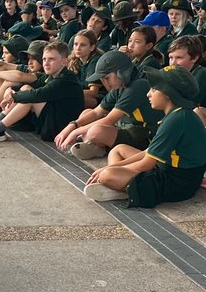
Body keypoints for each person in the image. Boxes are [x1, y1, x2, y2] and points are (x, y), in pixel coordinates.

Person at [84, 66, 206, 206]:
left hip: (177, 183)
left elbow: (146, 164)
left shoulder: (177, 119)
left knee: (108, 175)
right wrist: (115, 168)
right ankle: (124, 186)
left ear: (168, 94)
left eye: (154, 89)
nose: (148, 94)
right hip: (165, 168)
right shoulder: (178, 114)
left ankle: (123, 187)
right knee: (119, 149)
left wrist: (109, 171)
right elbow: (149, 152)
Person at [55, 50, 160, 160]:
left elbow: (109, 120)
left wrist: (75, 132)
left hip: (143, 135)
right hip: (124, 128)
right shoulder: (120, 86)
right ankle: (93, 145)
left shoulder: (138, 85)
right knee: (87, 113)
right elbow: (97, 112)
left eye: (106, 78)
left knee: (96, 131)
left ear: (122, 73)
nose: (104, 82)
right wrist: (73, 125)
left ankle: (97, 146)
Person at [0, 41, 83, 143]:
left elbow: (38, 95)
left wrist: (13, 97)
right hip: (51, 122)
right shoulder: (51, 75)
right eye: (44, 59)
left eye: (51, 59)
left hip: (59, 130)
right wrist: (11, 92)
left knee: (29, 96)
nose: (46, 63)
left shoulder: (66, 79)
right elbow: (23, 77)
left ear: (64, 62)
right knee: (25, 89)